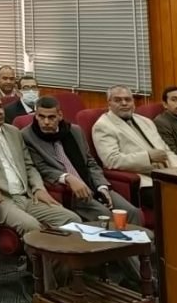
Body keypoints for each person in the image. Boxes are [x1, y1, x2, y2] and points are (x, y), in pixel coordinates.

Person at [0, 90, 80, 236]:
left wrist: (39, 188)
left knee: (72, 219)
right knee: (32, 227)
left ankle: (64, 251)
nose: (0, 111)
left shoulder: (14, 132)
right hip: (2, 200)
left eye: (0, 106)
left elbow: (29, 166)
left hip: (26, 196)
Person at [23, 96, 142, 225]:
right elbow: (42, 168)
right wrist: (67, 178)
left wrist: (101, 186)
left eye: (51, 117)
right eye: (41, 117)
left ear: (60, 116)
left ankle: (137, 239)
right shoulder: (28, 136)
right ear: (36, 116)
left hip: (91, 184)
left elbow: (90, 162)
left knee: (132, 212)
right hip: (71, 192)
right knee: (105, 216)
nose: (46, 122)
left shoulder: (74, 131)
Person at [92, 85, 177, 208]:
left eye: (128, 99)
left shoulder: (146, 121)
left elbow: (166, 151)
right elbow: (111, 160)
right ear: (109, 103)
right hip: (144, 180)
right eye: (118, 100)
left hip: (168, 175)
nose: (124, 103)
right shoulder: (103, 126)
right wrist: (147, 157)